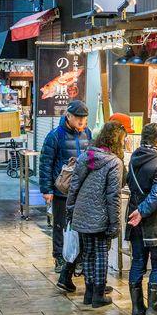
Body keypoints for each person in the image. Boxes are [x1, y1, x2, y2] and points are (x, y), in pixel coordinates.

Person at [66, 120, 126, 308]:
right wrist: (115, 223)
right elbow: (113, 196)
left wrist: (71, 209)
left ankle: (89, 292)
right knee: (101, 253)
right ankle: (98, 295)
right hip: (100, 214)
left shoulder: (87, 155)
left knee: (88, 253)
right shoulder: (114, 163)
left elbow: (74, 185)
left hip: (82, 212)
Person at [126, 123, 157, 315]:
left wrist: (138, 211)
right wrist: (143, 211)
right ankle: (153, 309)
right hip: (154, 221)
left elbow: (131, 183)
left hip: (134, 218)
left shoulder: (134, 158)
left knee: (137, 262)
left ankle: (137, 308)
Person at [39, 101, 92, 272]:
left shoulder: (88, 134)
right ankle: (59, 258)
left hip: (82, 191)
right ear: (68, 116)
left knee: (80, 226)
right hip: (61, 190)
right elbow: (45, 163)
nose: (81, 122)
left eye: (84, 118)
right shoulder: (55, 135)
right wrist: (46, 189)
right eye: (78, 118)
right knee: (60, 225)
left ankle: (78, 259)